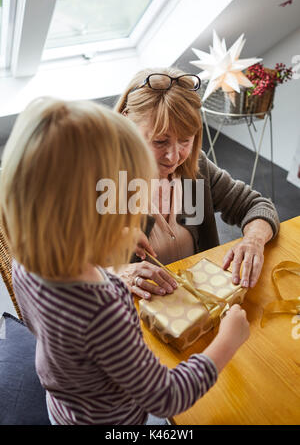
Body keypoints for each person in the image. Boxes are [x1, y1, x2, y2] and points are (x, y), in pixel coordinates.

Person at [0, 97, 249, 425]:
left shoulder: (26, 259)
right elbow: (166, 396)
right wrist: (228, 340)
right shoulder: (105, 308)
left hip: (65, 405)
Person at [114, 67, 280, 300]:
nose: (173, 157)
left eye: (185, 140)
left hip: (197, 303)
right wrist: (115, 273)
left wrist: (253, 240)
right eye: (160, 141)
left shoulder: (196, 169)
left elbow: (256, 205)